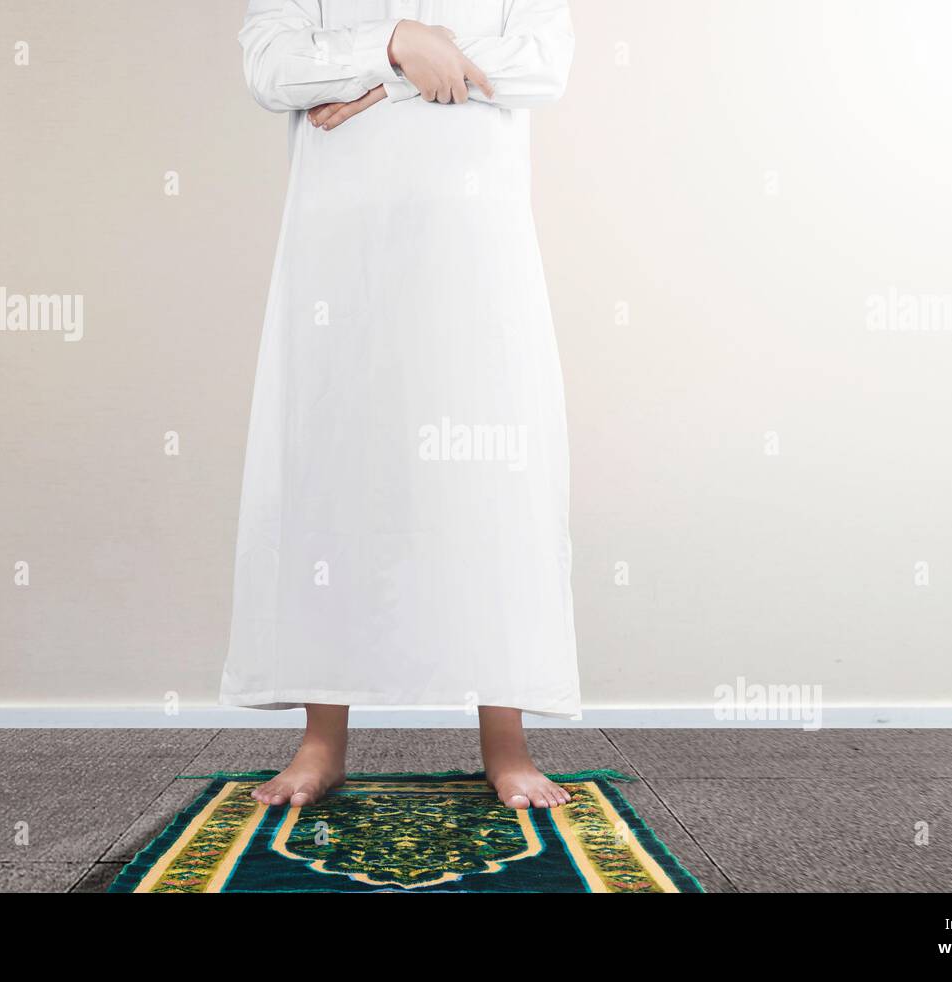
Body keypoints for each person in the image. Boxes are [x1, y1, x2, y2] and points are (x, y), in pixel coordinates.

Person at [221, 0, 580, 810]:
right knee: (334, 469)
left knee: (490, 478)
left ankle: (506, 740)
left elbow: (541, 64)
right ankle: (322, 741)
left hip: (474, 241)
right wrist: (394, 42)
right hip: (341, 246)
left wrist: (385, 80)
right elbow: (270, 69)